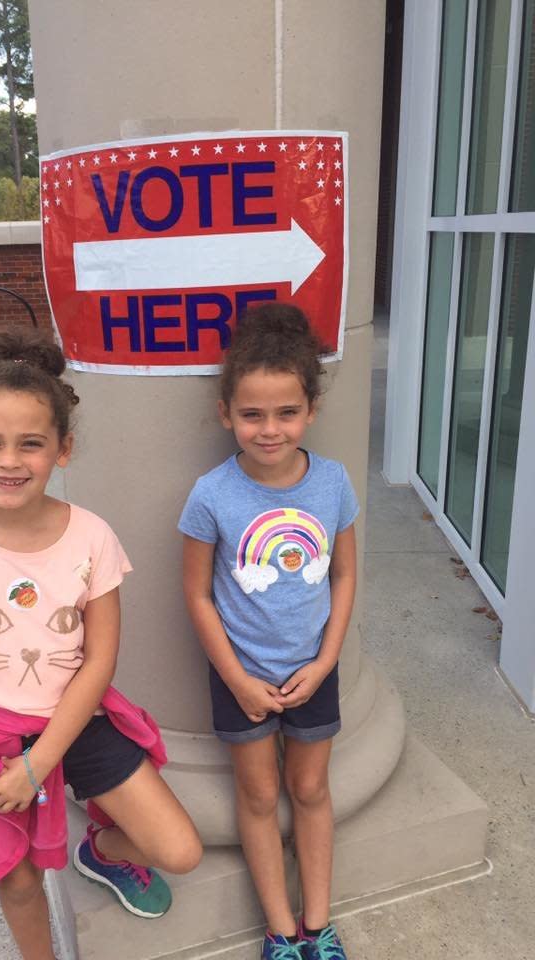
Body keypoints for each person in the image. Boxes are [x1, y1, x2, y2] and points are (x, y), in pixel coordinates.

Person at [0, 328, 201, 960]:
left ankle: (102, 851)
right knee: (18, 877)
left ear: (63, 449)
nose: (10, 461)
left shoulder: (92, 539)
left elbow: (100, 659)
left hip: (76, 718)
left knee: (180, 849)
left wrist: (39, 766)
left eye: (31, 444)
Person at [179, 303, 357, 960]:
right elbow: (196, 595)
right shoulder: (211, 495)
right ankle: (281, 934)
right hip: (240, 673)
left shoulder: (333, 482)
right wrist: (238, 679)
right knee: (258, 796)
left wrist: (326, 660)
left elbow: (342, 576)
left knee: (309, 788)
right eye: (252, 413)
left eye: (285, 412)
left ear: (310, 409)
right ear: (226, 413)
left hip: (316, 664)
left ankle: (319, 925)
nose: (269, 428)